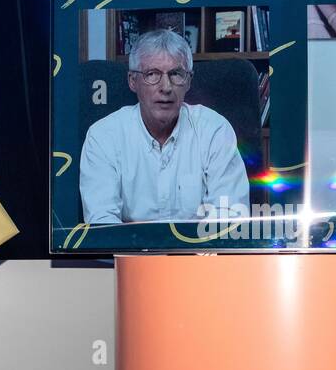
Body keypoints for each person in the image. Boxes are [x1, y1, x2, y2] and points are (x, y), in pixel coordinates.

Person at [78, 29, 250, 224]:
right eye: (152, 74)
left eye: (176, 74)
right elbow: (102, 223)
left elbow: (229, 219)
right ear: (133, 81)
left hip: (200, 253)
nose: (166, 87)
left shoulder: (215, 130)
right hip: (130, 253)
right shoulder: (103, 136)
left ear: (188, 82)